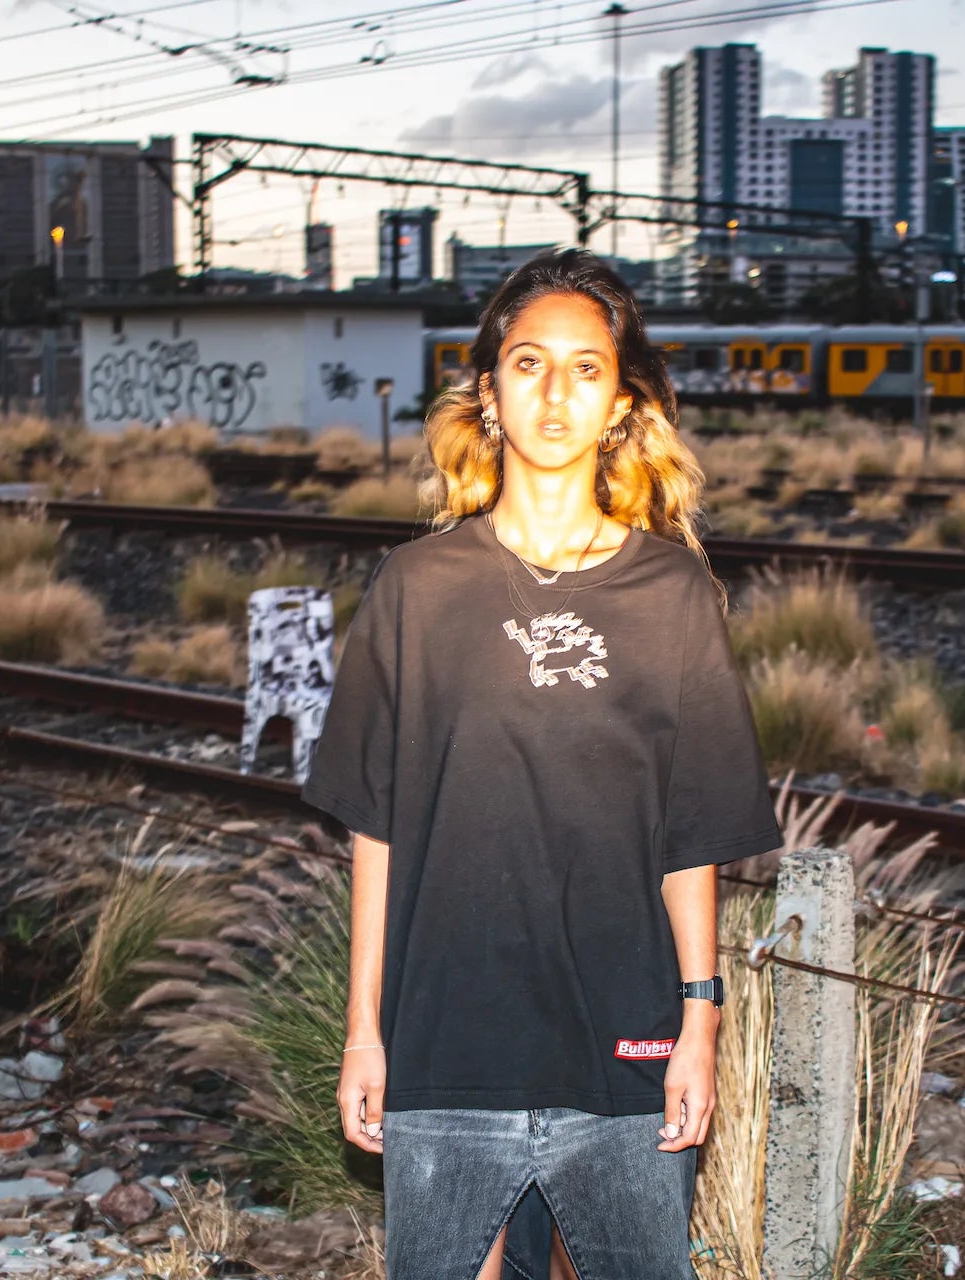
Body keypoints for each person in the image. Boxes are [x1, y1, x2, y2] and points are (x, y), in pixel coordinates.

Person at [304, 248, 781, 1279]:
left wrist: (701, 1024)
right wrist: (363, 1032)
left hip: (626, 1047)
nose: (556, 392)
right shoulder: (417, 589)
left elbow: (689, 833)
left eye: (586, 368)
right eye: (528, 363)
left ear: (620, 403)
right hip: (444, 1046)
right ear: (488, 390)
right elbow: (376, 829)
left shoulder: (675, 595)